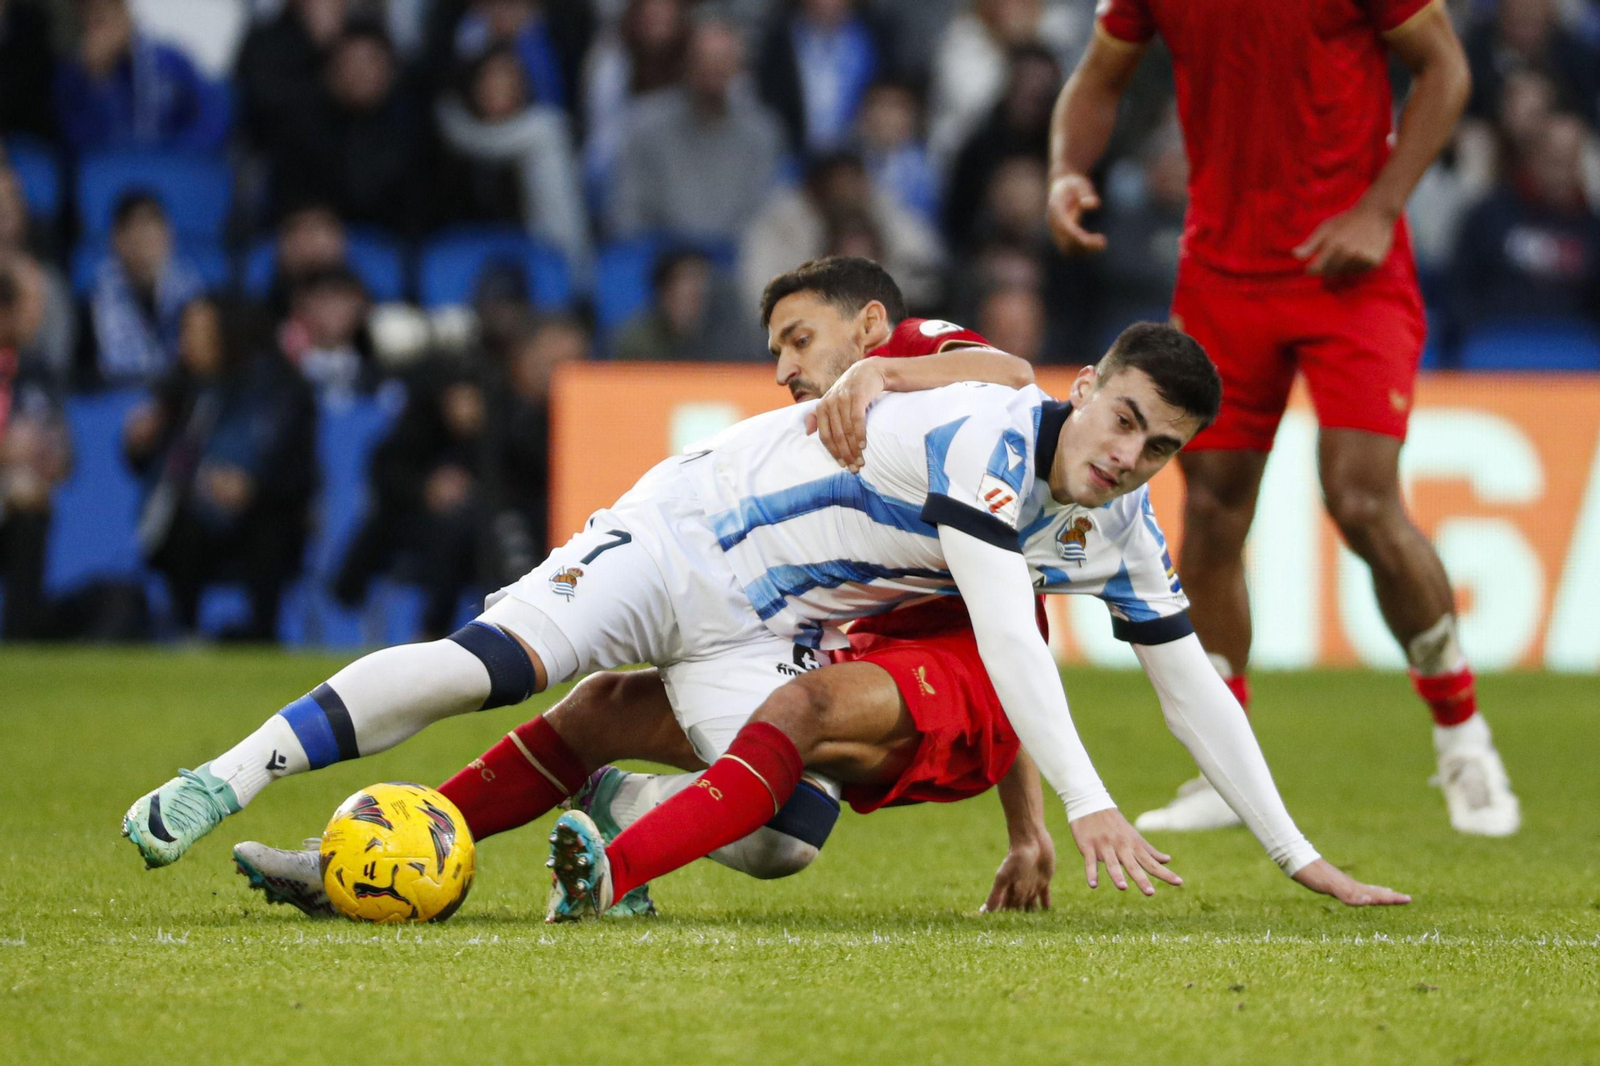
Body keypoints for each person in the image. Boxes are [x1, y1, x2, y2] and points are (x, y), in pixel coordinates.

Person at [122, 257, 1403, 918]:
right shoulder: (991, 431)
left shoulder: (1105, 510)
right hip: (683, 537)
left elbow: (1188, 684)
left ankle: (608, 807)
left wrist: (1297, 854)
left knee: (782, 841)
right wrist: (1087, 809)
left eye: (1158, 446)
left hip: (777, 621)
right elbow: (1014, 639)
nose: (1128, 454)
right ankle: (226, 778)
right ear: (1091, 386)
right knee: (490, 665)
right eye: (1121, 417)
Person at [1046, 0, 1520, 835]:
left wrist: (1380, 208)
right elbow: (1098, 74)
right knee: (1217, 506)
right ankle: (1220, 772)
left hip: (1350, 271)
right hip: (1224, 271)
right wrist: (1065, 169)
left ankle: (1462, 736)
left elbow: (1446, 69)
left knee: (1362, 500)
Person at [123, 297, 317, 640]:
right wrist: (139, 446)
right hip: (196, 516)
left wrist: (252, 488)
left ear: (229, 334)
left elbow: (302, 474)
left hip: (266, 515)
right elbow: (159, 472)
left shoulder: (281, 389)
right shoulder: (178, 392)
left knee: (270, 528)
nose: (188, 343)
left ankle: (262, 634)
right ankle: (185, 633)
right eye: (185, 331)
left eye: (200, 332)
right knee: (182, 523)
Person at [606, 13, 785, 243]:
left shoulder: (763, 133)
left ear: (738, 69)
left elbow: (766, 216)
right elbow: (625, 212)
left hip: (736, 264)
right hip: (660, 262)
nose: (712, 70)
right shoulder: (645, 125)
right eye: (705, 60)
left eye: (722, 61)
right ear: (686, 63)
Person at [54, 0, 229, 153]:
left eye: (111, 13)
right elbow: (81, 142)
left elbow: (213, 112)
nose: (106, 30)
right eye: (96, 21)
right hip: (112, 175)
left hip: (173, 168)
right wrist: (99, 82)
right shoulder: (75, 76)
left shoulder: (170, 61)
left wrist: (180, 153)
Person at [87, 192, 205, 388]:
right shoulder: (93, 301)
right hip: (115, 398)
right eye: (135, 229)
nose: (145, 241)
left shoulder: (193, 295)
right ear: (116, 239)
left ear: (169, 235)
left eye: (152, 228)